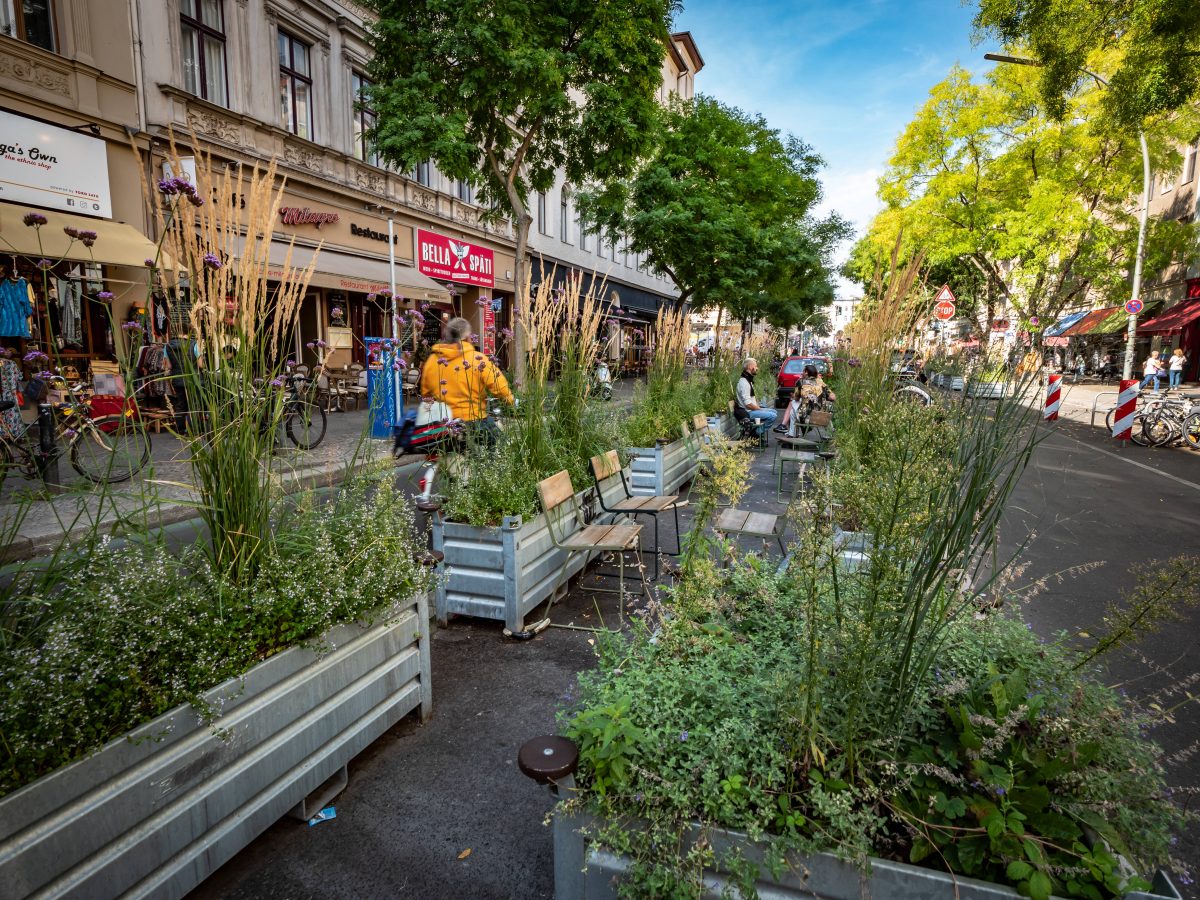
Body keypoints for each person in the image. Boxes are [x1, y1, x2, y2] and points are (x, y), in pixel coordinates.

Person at [419, 316, 513, 430]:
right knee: (498, 440)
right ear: (468, 338)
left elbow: (425, 394)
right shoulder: (477, 359)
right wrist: (510, 401)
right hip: (474, 421)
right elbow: (499, 386)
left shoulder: (432, 360)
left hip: (442, 425)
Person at [734, 356, 777, 430]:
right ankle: (757, 434)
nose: (757, 368)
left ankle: (758, 433)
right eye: (756, 366)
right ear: (750, 367)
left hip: (752, 410)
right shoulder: (744, 383)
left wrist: (759, 407)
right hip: (748, 412)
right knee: (773, 416)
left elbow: (752, 399)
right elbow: (748, 405)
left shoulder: (748, 380)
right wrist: (759, 409)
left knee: (774, 412)